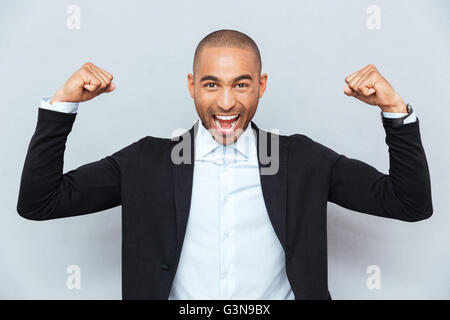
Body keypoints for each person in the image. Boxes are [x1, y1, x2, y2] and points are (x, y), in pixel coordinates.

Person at [17, 29, 433, 300]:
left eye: (242, 84)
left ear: (261, 86)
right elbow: (40, 202)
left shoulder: (303, 160)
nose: (227, 102)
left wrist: (394, 111)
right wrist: (63, 104)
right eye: (211, 84)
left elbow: (408, 203)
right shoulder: (145, 162)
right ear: (191, 85)